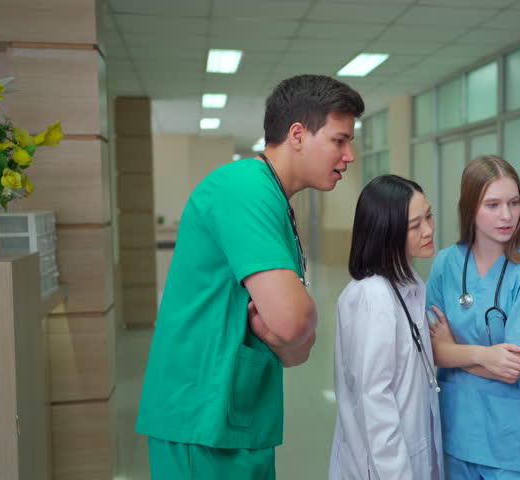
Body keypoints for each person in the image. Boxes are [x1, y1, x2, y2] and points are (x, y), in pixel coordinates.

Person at [136, 74, 364, 479]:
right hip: (202, 414)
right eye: (339, 140)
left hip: (237, 414)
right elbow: (293, 323)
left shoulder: (274, 197)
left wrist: (291, 329)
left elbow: (296, 345)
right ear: (297, 134)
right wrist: (293, 326)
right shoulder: (243, 189)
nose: (350, 155)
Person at [426, 155, 520, 479]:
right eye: (493, 204)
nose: (507, 215)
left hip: (511, 440)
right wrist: (485, 355)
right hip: (455, 430)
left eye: (514, 203)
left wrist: (452, 352)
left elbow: (511, 368)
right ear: (471, 207)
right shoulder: (446, 263)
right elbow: (428, 351)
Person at [329, 174, 444, 480]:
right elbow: (374, 399)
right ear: (386, 232)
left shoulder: (409, 284)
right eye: (415, 225)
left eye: (429, 216)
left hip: (409, 453)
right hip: (384, 468)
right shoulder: (374, 296)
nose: (429, 230)